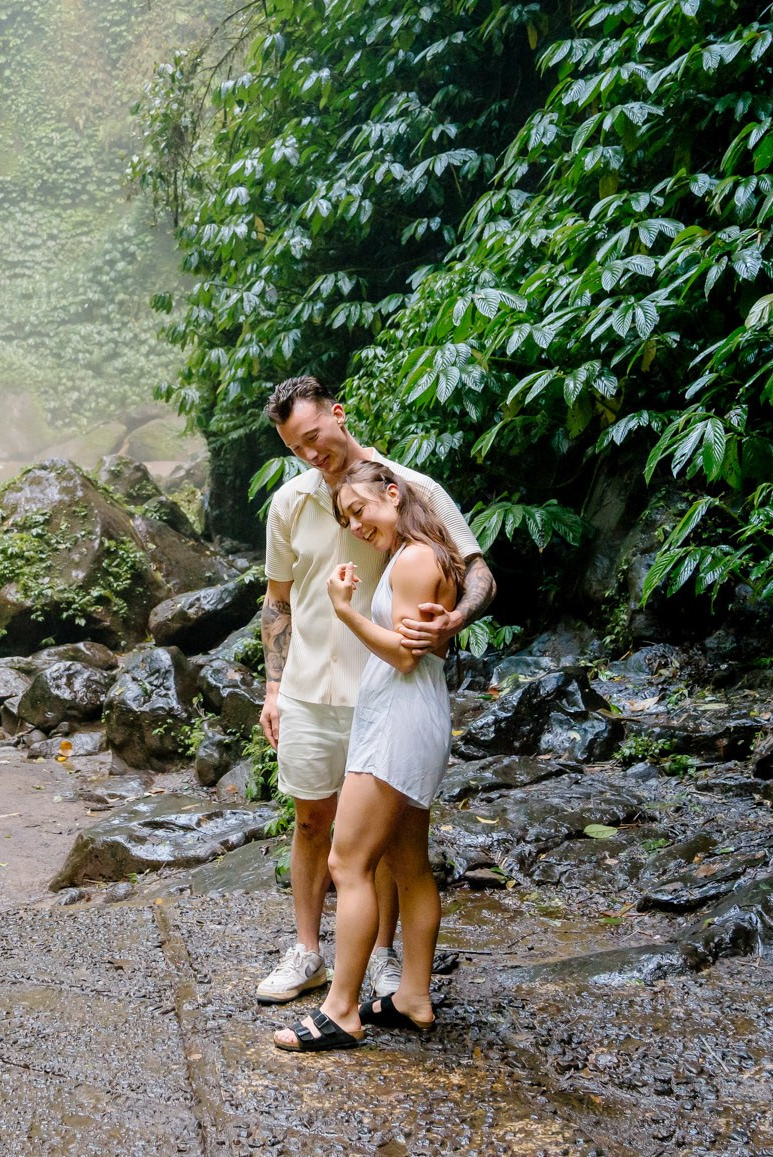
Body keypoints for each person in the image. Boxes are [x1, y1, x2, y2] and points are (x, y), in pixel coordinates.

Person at [254, 376, 496, 1007]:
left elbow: (477, 571)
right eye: (294, 447)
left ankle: (382, 961)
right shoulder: (290, 505)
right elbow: (276, 603)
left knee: (379, 843)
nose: (309, 455)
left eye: (313, 437)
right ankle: (307, 951)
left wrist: (457, 618)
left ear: (338, 414)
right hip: (310, 688)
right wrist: (273, 685)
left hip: (385, 690)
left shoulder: (411, 490)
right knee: (311, 821)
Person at [273, 460, 461, 1051]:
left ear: (393, 492)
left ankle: (341, 1010)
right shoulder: (432, 553)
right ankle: (412, 996)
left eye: (361, 510)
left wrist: (345, 610)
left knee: (347, 864)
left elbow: (404, 655)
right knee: (409, 863)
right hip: (420, 718)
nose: (356, 525)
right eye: (347, 518)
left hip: (396, 726)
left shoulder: (411, 560)